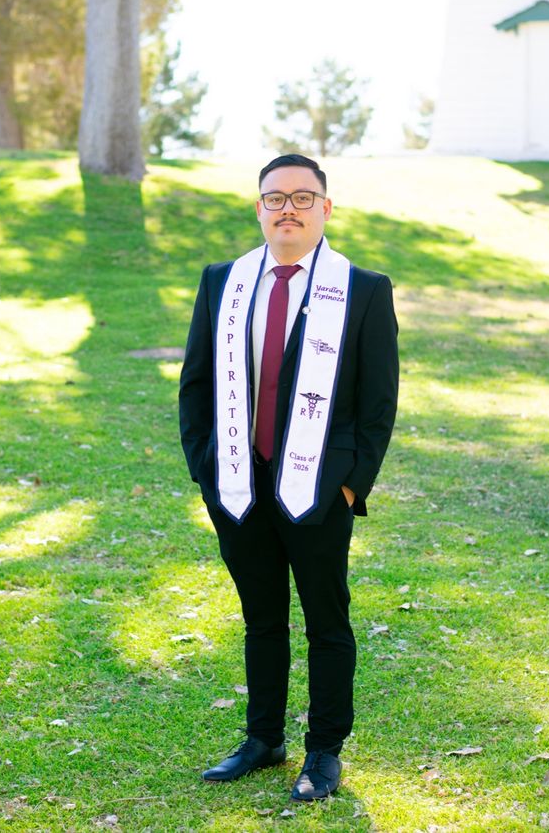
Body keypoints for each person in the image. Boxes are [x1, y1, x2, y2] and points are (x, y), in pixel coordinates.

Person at [179, 153, 398, 801]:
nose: (288, 209)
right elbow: (195, 386)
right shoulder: (225, 282)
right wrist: (206, 469)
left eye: (304, 198)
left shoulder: (362, 289)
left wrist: (350, 485)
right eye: (275, 198)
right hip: (239, 485)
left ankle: (324, 751)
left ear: (326, 209)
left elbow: (377, 403)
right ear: (259, 209)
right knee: (261, 618)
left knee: (326, 622)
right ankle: (263, 737)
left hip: (319, 490)